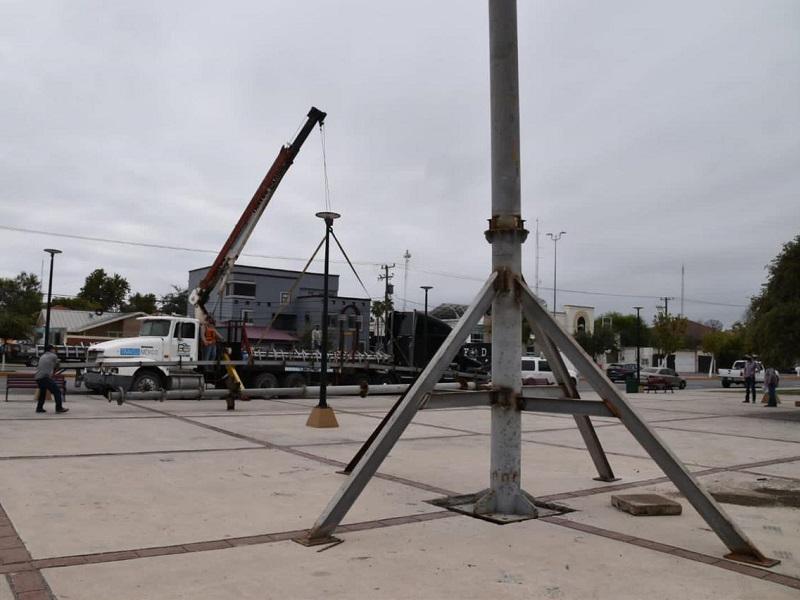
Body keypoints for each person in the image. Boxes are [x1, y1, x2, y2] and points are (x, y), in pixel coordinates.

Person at [35, 345, 68, 414]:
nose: (54, 350)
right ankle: (59, 408)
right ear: (51, 350)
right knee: (57, 391)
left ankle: (39, 408)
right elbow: (57, 364)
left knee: (42, 393)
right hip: (44, 377)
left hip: (38, 377)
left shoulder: (42, 356)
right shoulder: (53, 356)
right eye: (54, 349)